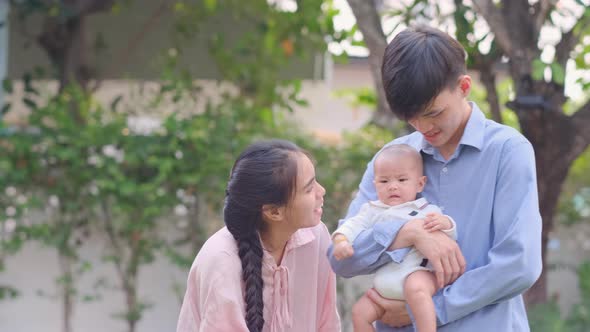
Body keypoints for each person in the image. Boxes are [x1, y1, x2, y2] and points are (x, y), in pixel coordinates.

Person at [328, 25, 542, 331]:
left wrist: (429, 310)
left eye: (433, 112)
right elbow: (341, 259)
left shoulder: (508, 151)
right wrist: (407, 234)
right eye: (411, 117)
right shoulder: (391, 160)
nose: (421, 127)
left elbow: (518, 265)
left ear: (464, 87)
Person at [177, 139, 340, 332]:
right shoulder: (221, 261)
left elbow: (327, 323)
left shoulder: (317, 236)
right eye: (309, 188)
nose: (322, 191)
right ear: (274, 212)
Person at [332, 144, 456, 332]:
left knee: (417, 290)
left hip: (417, 273)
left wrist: (446, 223)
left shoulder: (425, 209)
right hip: (384, 285)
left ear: (420, 183)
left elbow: (448, 238)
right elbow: (351, 225)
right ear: (375, 184)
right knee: (359, 312)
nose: (393, 186)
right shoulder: (372, 210)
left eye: (402, 179)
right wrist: (341, 240)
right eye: (384, 181)